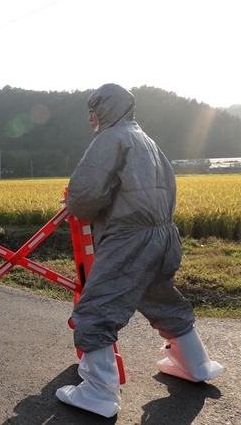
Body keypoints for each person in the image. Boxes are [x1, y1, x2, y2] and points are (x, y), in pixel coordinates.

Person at [55, 83, 224, 417]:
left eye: (93, 111)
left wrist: (74, 203)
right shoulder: (146, 139)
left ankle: (98, 392)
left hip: (129, 238)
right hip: (163, 235)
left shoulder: (110, 139)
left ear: (103, 111)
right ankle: (197, 365)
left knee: (96, 308)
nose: (91, 119)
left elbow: (86, 197)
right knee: (161, 298)